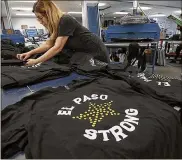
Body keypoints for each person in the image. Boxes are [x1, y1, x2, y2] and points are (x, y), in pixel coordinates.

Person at [17, 0, 109, 66]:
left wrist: (36, 61)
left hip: (96, 52)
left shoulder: (65, 19)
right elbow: (48, 45)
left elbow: (57, 48)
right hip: (84, 54)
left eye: (40, 17)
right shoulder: (55, 27)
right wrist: (30, 52)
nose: (40, 21)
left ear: (48, 14)